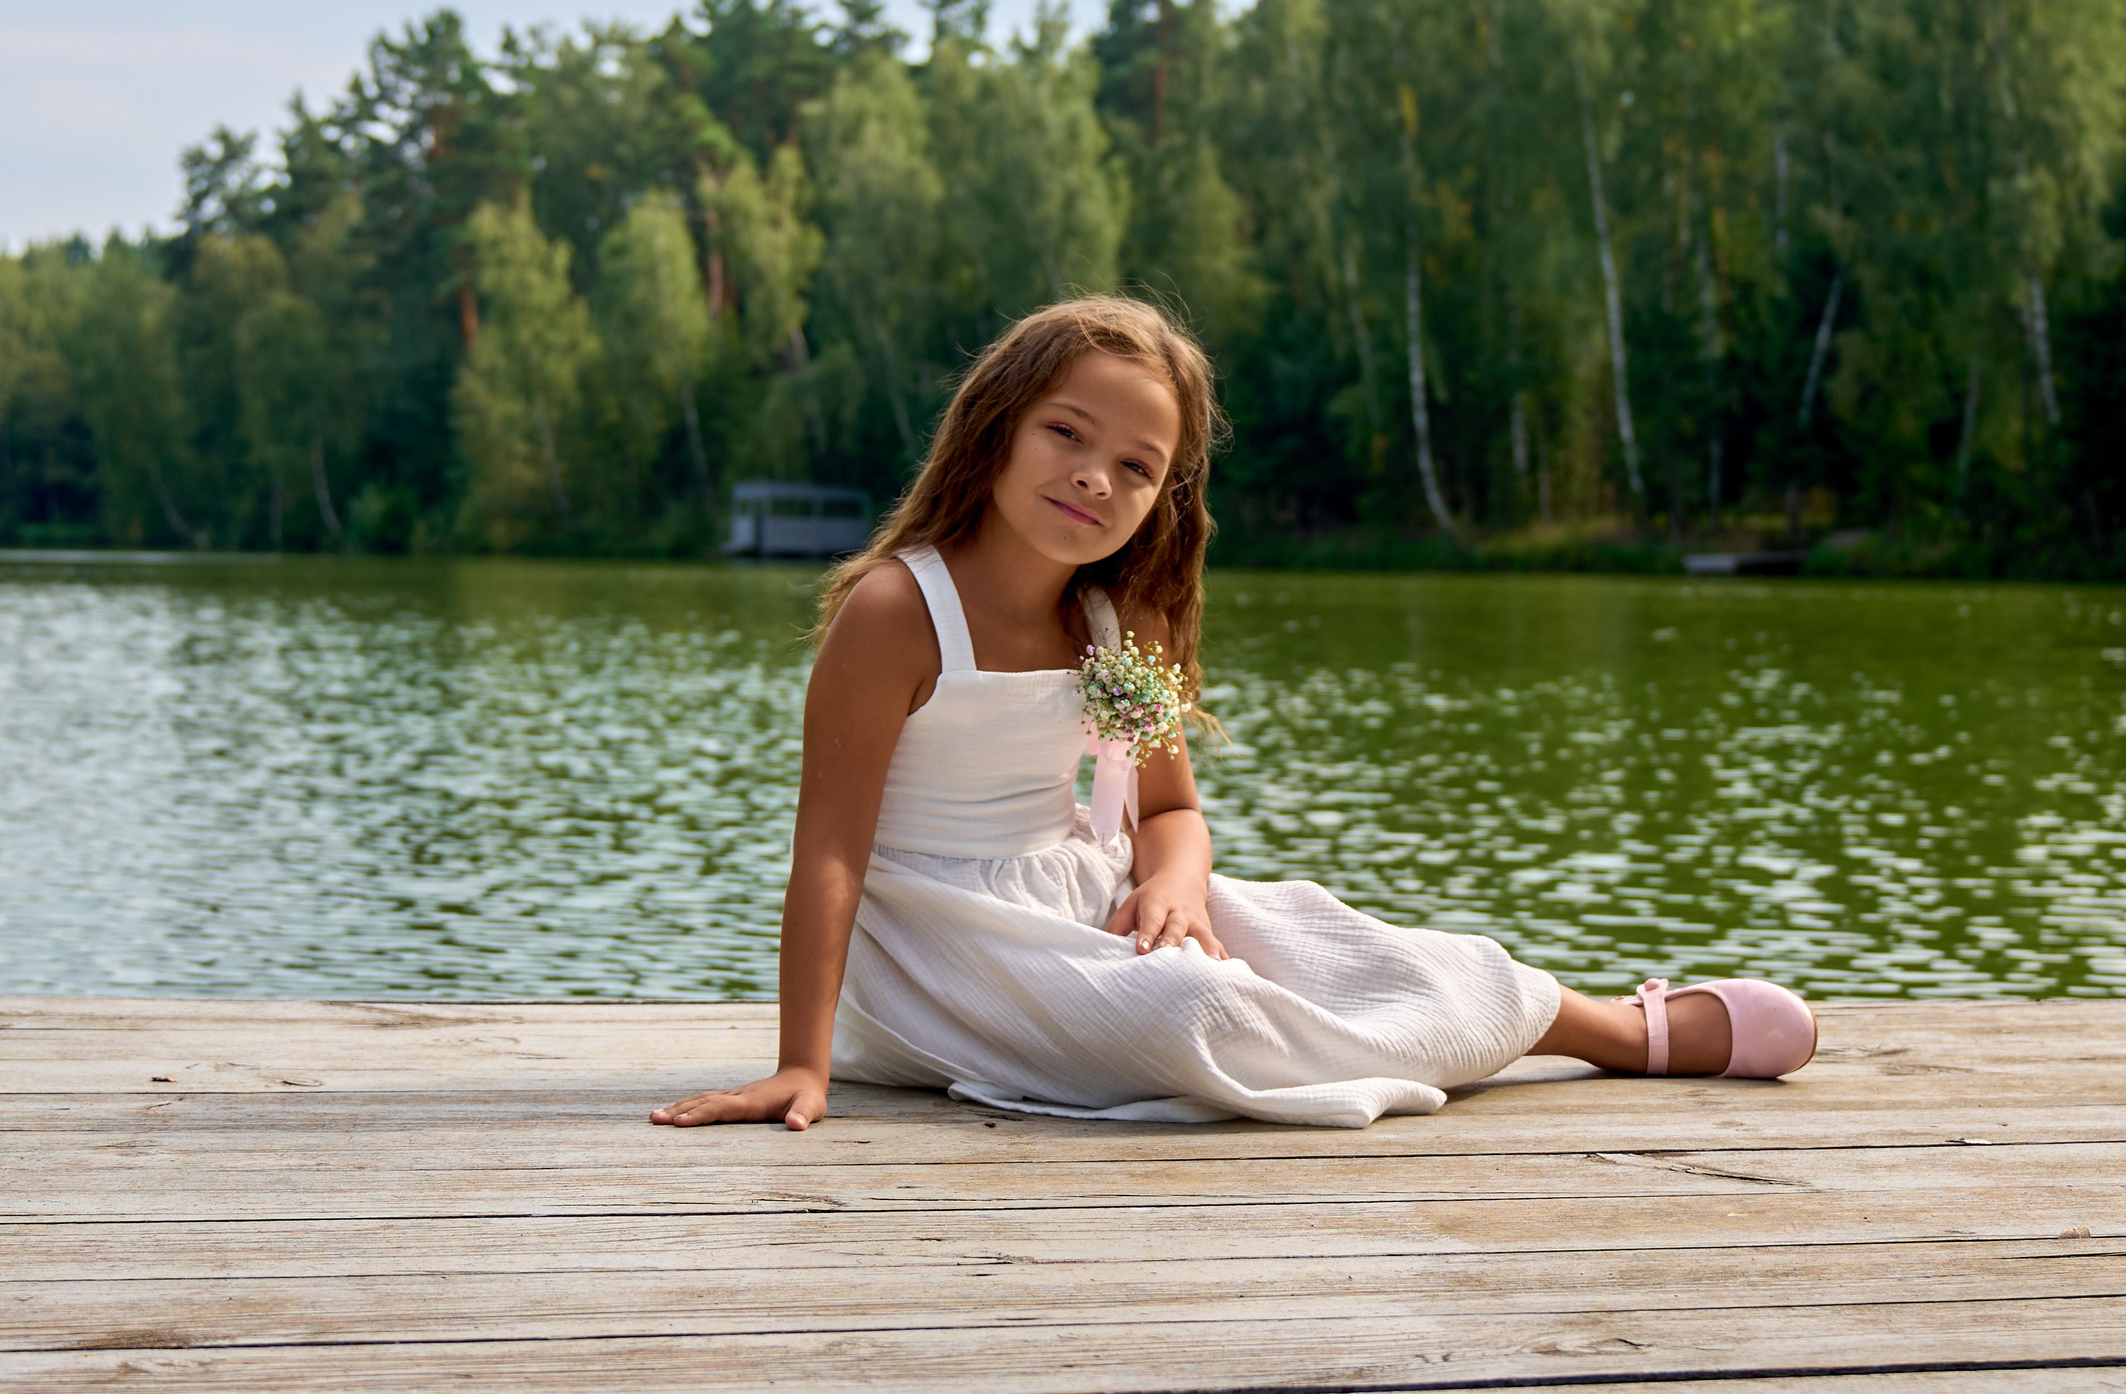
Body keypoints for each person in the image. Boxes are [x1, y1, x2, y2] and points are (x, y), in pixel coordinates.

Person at [654, 297, 1814, 1132]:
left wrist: (1170, 884)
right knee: (1193, 1014)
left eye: (1136, 465)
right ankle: (1425, 1040)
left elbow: (1168, 811)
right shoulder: (898, 609)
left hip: (1085, 893)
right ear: (997, 425)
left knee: (1326, 935)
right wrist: (801, 1063)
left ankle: (1608, 1029)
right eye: (1066, 432)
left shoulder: (1121, 620)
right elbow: (829, 857)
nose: (1094, 478)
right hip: (934, 940)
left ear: (1165, 494)